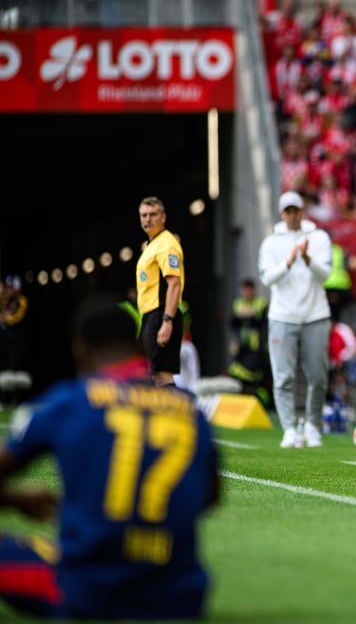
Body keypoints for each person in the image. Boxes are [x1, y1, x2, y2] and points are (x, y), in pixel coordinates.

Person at [0, 295, 219, 619]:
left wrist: (15, 500)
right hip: (178, 594)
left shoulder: (69, 402)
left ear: (80, 351)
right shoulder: (190, 412)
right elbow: (210, 498)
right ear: (137, 346)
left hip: (90, 590)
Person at [259, 191, 333, 449]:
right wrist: (290, 260)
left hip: (315, 314)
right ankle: (289, 429)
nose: (292, 215)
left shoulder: (319, 237)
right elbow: (267, 279)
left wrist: (307, 258)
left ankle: (313, 426)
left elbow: (325, 274)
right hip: (282, 315)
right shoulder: (271, 242)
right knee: (283, 377)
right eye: (287, 211)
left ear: (303, 211)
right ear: (282, 214)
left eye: (296, 210)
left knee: (318, 375)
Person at [136, 196, 184, 387]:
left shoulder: (166, 244)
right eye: (143, 215)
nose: (147, 219)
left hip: (160, 315)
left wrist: (167, 320)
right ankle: (172, 416)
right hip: (153, 316)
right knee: (162, 377)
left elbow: (174, 284)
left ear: (163, 218)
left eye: (153, 214)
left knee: (147, 376)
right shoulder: (152, 244)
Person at [227, 278, 270, 403]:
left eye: (250, 290)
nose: (247, 293)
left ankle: (258, 400)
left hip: (256, 346)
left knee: (255, 374)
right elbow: (232, 324)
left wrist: (251, 314)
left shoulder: (260, 303)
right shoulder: (237, 303)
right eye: (245, 290)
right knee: (237, 372)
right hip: (241, 346)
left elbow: (263, 323)